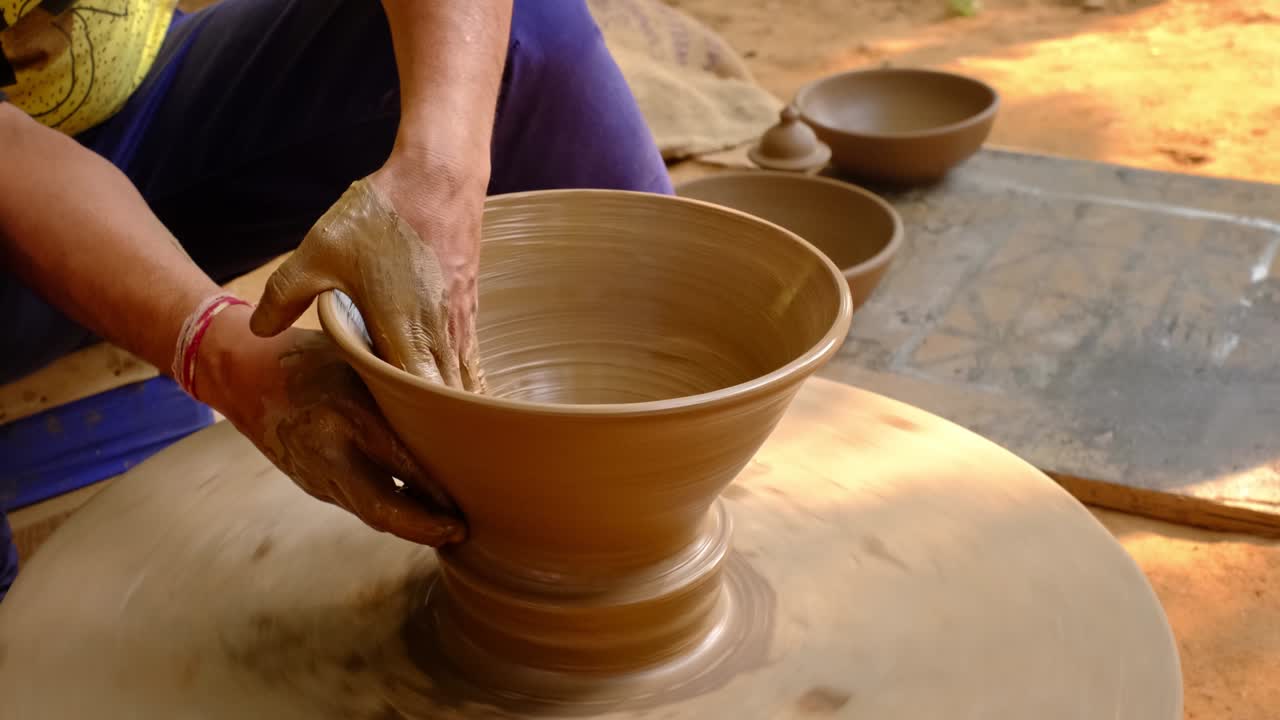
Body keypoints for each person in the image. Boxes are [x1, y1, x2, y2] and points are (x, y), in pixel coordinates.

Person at [0, 0, 672, 602]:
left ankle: (657, 490)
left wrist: (444, 170)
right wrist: (214, 348)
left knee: (525, 37)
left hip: (139, 93)